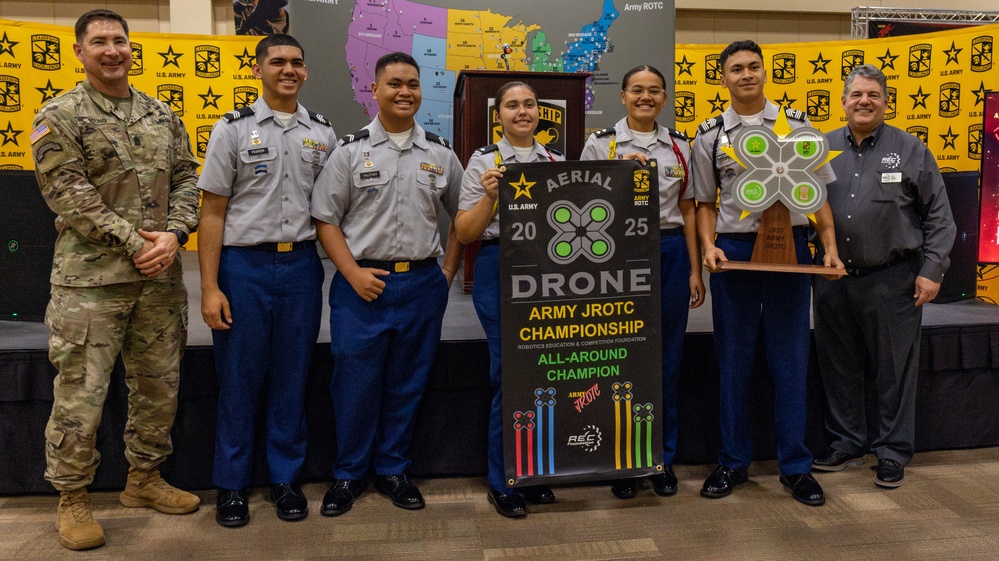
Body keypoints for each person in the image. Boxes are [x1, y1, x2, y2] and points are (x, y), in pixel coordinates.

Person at [29, 9, 201, 551]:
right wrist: (139, 243)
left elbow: (188, 178)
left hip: (160, 280)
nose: (112, 50)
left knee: (157, 388)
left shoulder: (161, 115)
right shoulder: (58, 115)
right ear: (79, 51)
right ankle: (73, 499)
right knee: (82, 395)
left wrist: (174, 234)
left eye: (119, 41)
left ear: (133, 48)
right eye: (98, 42)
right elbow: (69, 196)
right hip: (91, 284)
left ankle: (144, 480)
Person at [311, 51, 464, 516]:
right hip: (362, 286)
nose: (405, 92)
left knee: (407, 384)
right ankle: (349, 473)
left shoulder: (441, 153)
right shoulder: (349, 151)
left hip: (422, 285)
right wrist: (352, 273)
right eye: (394, 83)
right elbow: (325, 219)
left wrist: (448, 272)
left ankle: (394, 469)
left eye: (413, 84)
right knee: (354, 385)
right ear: (373, 90)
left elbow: (463, 217)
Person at [691, 40, 843, 507]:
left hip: (790, 252)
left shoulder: (798, 127)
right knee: (733, 362)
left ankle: (795, 466)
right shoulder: (710, 134)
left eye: (753, 66)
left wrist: (831, 249)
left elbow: (817, 196)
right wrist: (708, 248)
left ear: (764, 72)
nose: (746, 75)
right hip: (735, 252)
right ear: (722, 78)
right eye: (735, 68)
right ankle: (733, 461)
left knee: (790, 362)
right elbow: (702, 202)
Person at [198, 34, 335, 527]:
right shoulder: (231, 130)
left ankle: (284, 479)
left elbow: (331, 211)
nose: (288, 69)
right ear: (258, 70)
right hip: (244, 267)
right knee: (239, 378)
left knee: (292, 377)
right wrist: (210, 287)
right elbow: (211, 212)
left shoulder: (323, 133)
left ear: (305, 71)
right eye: (277, 61)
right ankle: (232, 485)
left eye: (297, 62)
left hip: (301, 267)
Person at [811, 64, 955, 488]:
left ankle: (891, 451)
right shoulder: (818, 148)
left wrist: (932, 271)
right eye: (856, 94)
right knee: (838, 367)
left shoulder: (912, 150)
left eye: (873, 95)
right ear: (843, 101)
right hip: (833, 279)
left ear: (886, 101)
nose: (864, 101)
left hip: (893, 279)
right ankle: (846, 441)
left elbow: (941, 219)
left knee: (894, 370)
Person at [580, 65, 704, 500]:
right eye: (637, 90)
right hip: (615, 256)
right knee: (622, 360)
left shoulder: (679, 146)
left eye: (654, 91)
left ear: (664, 98)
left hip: (667, 252)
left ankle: (660, 458)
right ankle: (623, 461)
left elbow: (688, 211)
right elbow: (582, 203)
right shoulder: (600, 144)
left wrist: (694, 269)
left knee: (666, 360)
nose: (645, 97)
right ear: (624, 97)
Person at [455, 81, 562, 518]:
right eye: (512, 105)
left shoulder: (555, 162)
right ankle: (504, 480)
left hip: (548, 276)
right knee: (511, 373)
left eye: (529, 104)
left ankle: (533, 473)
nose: (522, 112)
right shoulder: (483, 163)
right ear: (498, 115)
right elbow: (464, 233)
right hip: (499, 269)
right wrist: (491, 197)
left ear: (540, 112)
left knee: (545, 373)